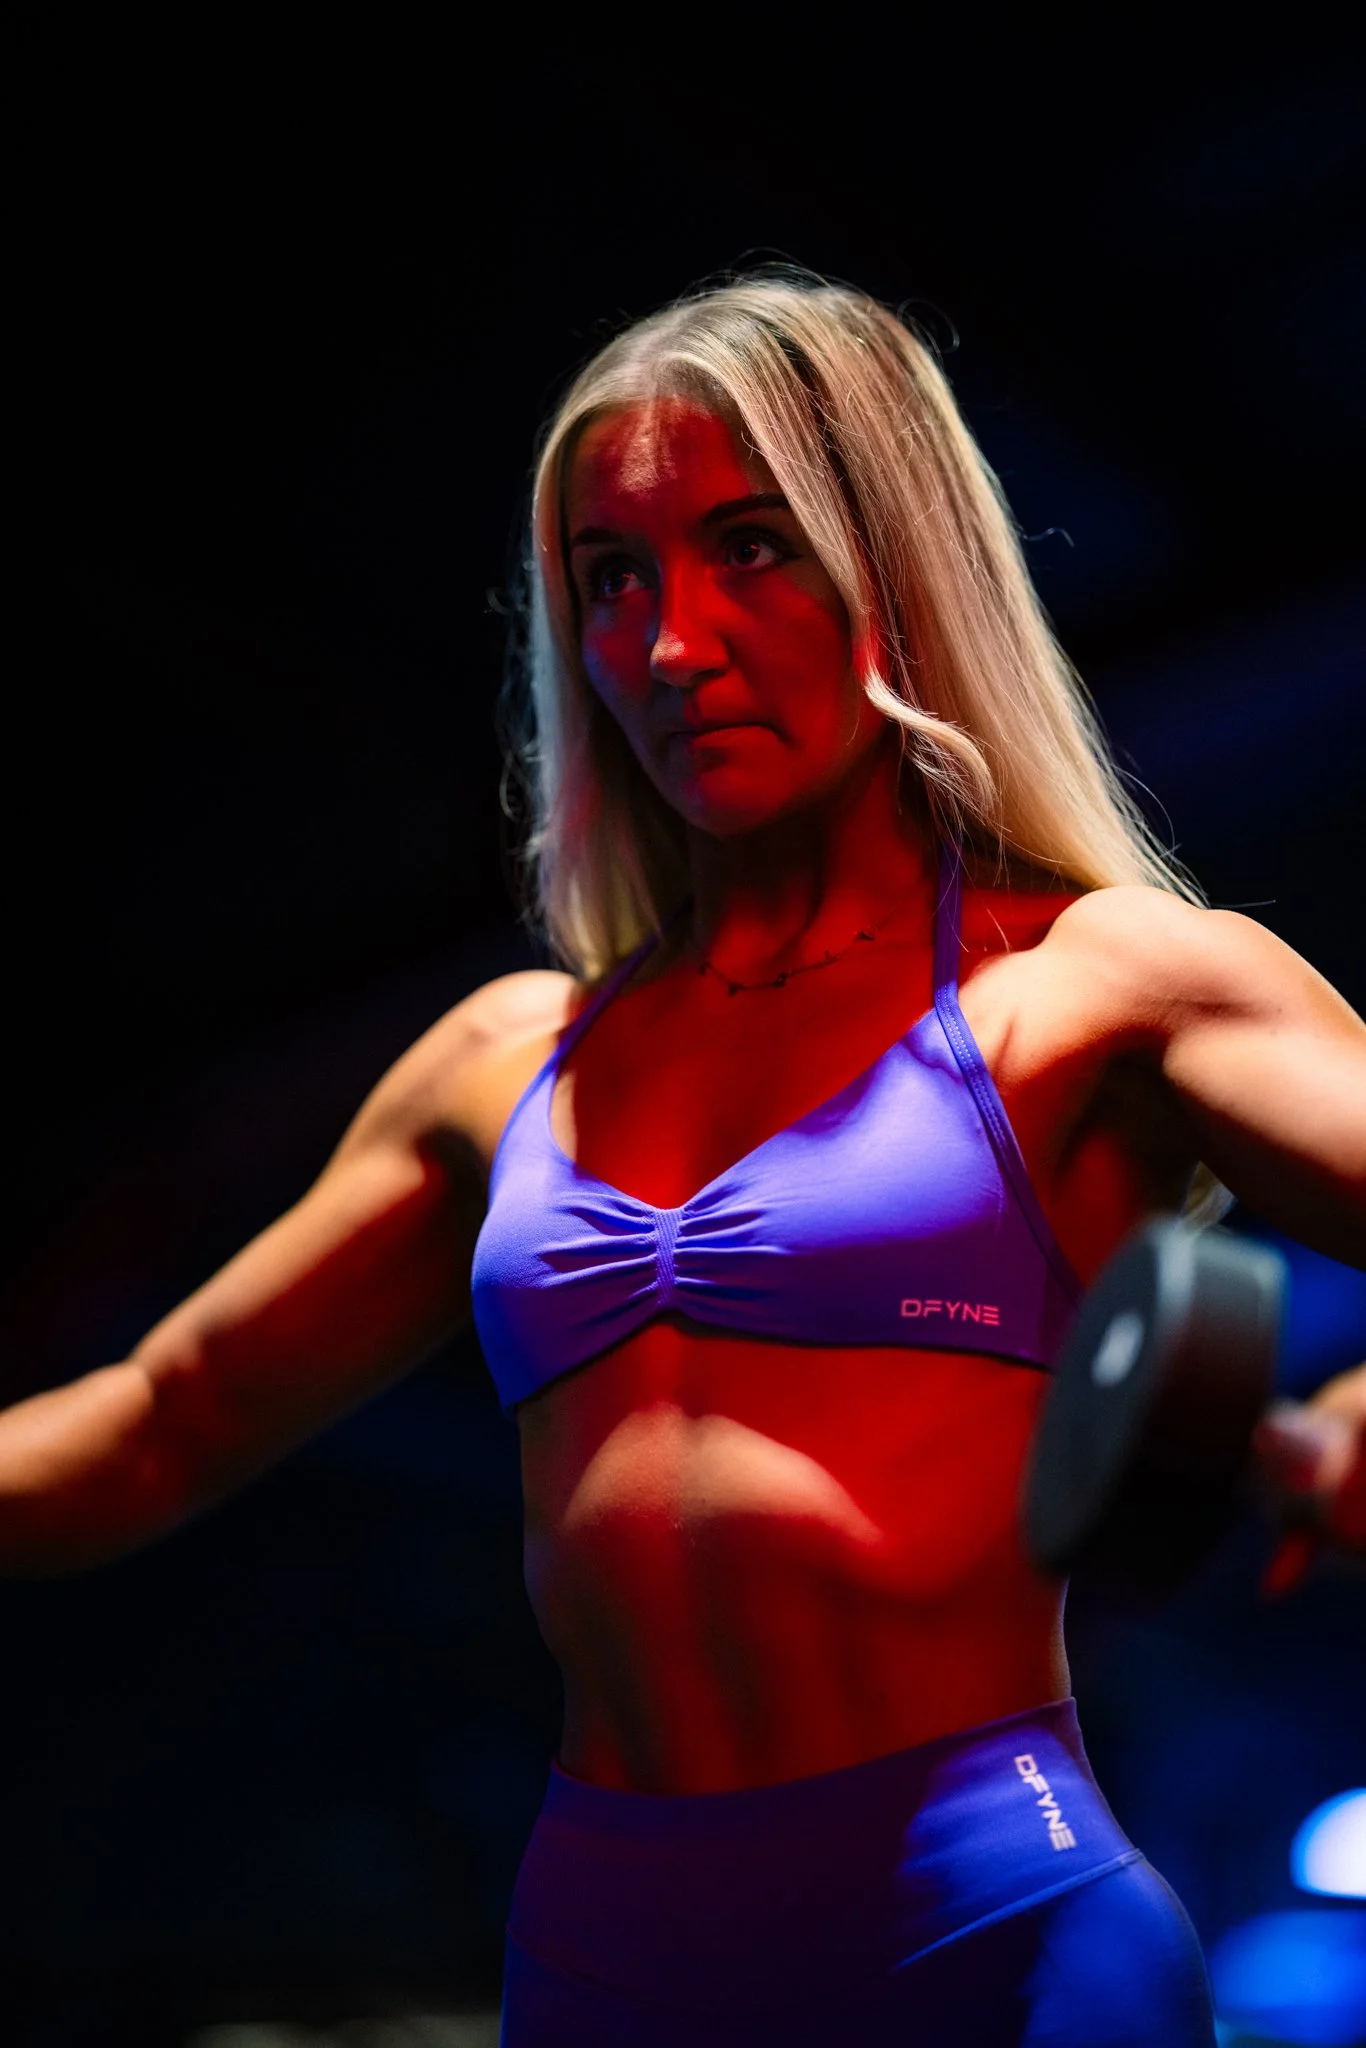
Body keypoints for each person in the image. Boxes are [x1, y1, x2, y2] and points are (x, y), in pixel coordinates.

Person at [2, 274, 1363, 2045]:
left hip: (991, 1920)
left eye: (753, 547)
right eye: (610, 578)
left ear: (900, 564)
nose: (669, 644)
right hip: (607, 1952)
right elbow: (165, 1420)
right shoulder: (506, 1066)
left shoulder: (1100, 987)